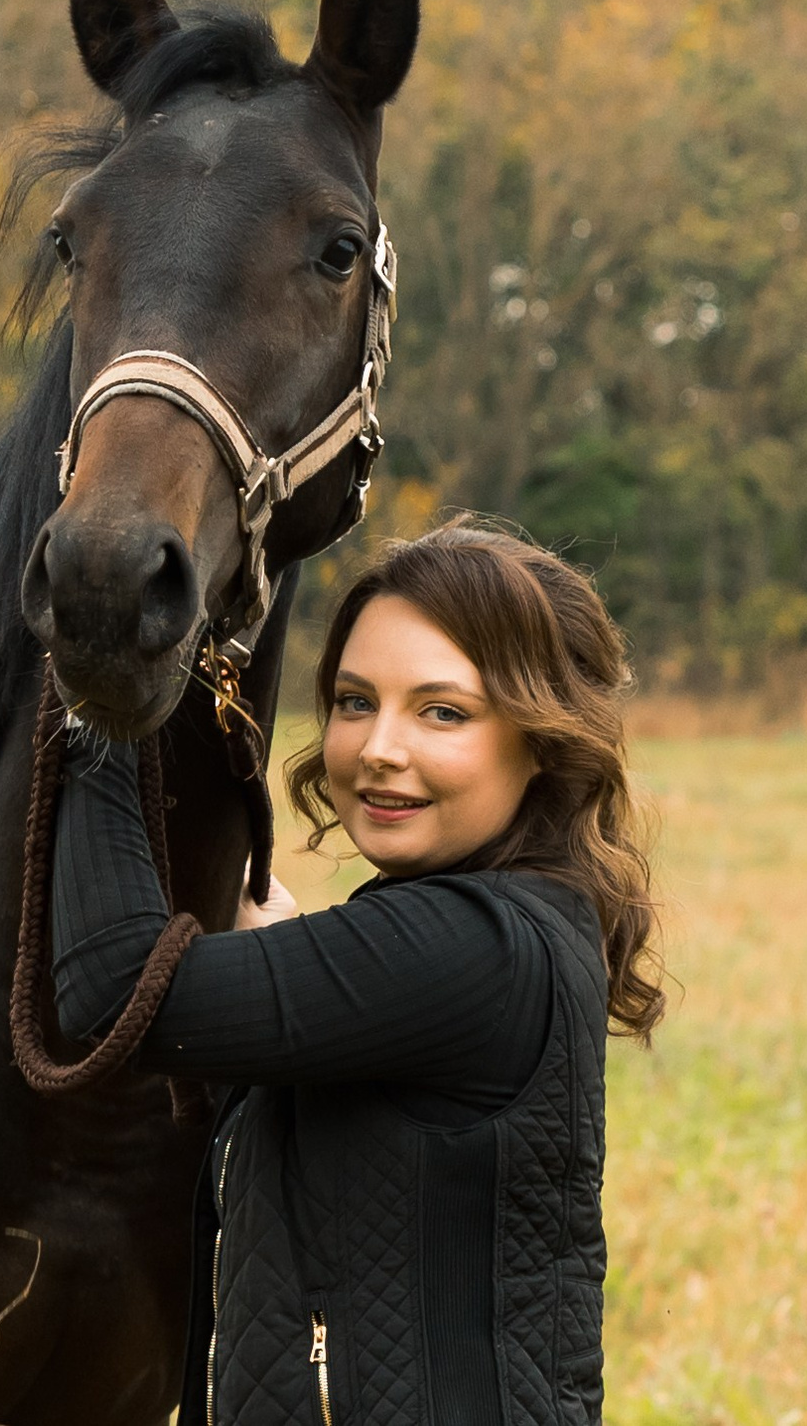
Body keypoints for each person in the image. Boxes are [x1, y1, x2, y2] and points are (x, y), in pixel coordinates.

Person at [51, 523, 664, 1426]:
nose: (378, 746)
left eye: (442, 710)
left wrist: (93, 703)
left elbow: (117, 992)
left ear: (539, 740)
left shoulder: (475, 945)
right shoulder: (483, 926)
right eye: (352, 700)